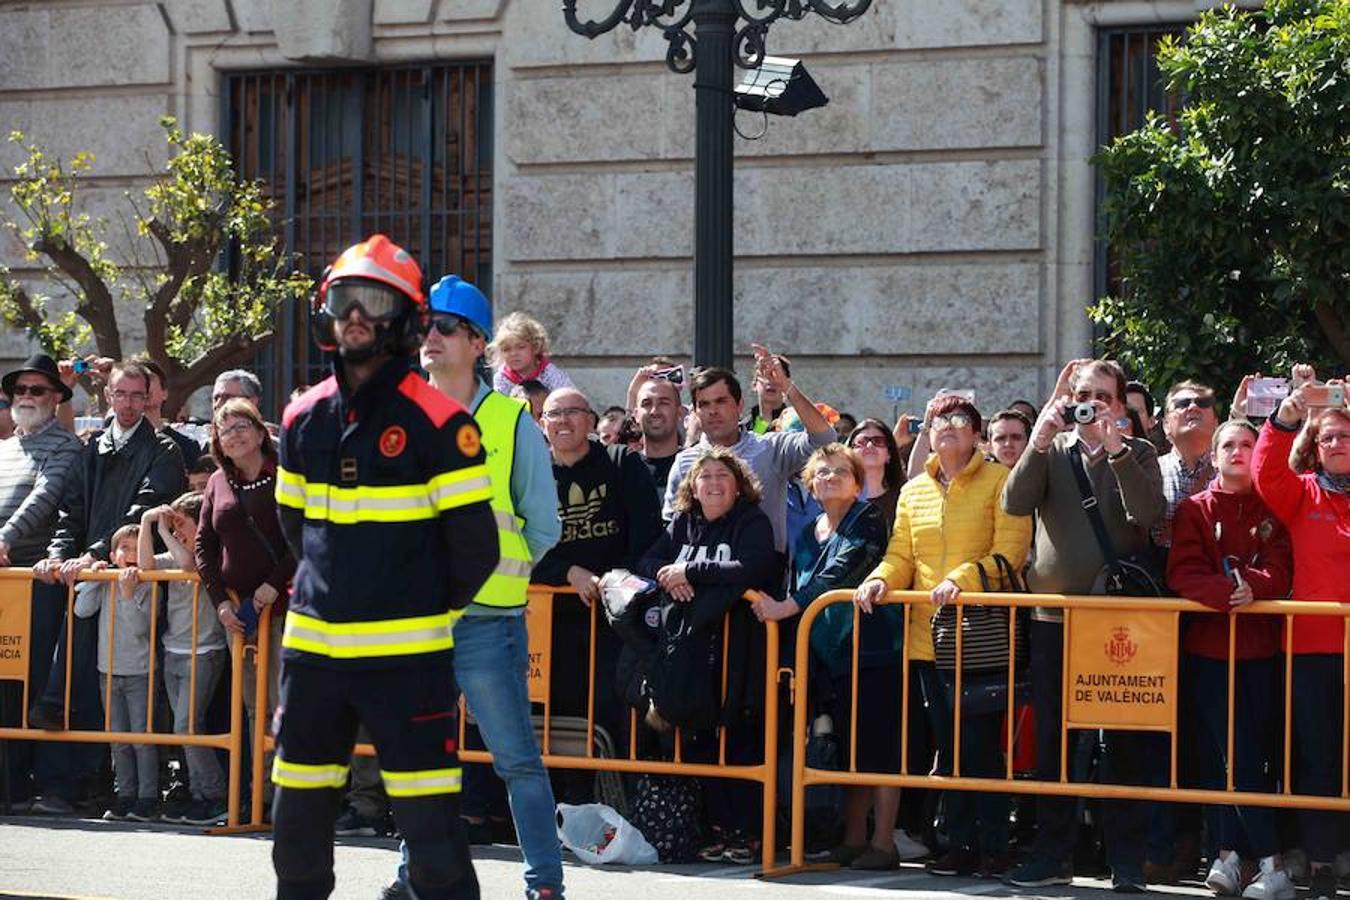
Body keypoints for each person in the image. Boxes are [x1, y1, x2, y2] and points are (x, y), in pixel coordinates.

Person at [270, 234, 497, 900]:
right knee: (296, 834)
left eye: (372, 300)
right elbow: (296, 528)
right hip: (311, 660)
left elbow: (475, 549)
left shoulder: (442, 423)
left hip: (409, 663)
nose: (355, 315)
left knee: (433, 843)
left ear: (405, 318)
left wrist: (418, 605)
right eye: (344, 300)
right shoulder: (301, 418)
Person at [409, 273, 565, 900]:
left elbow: (543, 524)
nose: (432, 337)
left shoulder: (510, 419)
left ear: (478, 344)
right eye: (426, 326)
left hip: (487, 621)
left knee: (517, 762)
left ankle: (545, 883)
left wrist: (501, 567)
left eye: (446, 327)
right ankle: (413, 873)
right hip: (420, 623)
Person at [1001, 358, 1165, 893]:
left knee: (1122, 743)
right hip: (1054, 619)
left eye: (1102, 395)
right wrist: (1039, 441)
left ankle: (1125, 860)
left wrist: (1115, 449)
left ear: (1119, 404)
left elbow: (1147, 514)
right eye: (1082, 393)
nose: (1090, 402)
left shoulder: (1138, 453)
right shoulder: (1053, 450)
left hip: (1117, 622)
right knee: (1054, 740)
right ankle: (1052, 853)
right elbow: (1014, 502)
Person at [855, 395, 1032, 879]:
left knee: (979, 747)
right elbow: (900, 556)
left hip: (980, 638)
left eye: (959, 420)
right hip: (926, 641)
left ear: (977, 434)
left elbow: (1010, 553)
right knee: (948, 749)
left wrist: (962, 580)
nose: (946, 426)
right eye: (938, 420)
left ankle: (994, 843)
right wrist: (880, 579)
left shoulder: (1002, 482)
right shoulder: (913, 491)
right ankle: (958, 843)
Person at [28, 360, 185, 815]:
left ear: (151, 396)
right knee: (81, 682)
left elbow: (144, 510)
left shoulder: (164, 450)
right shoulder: (91, 447)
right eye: (122, 394)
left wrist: (95, 554)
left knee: (124, 692)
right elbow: (69, 511)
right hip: (86, 577)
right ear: (108, 397)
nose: (130, 403)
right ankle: (65, 787)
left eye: (139, 394)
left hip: (128, 581)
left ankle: (126, 788)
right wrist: (59, 554)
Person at [751, 445, 900, 869]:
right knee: (846, 746)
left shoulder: (867, 518)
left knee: (878, 747)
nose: (831, 477)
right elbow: (797, 576)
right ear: (810, 483)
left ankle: (884, 842)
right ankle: (853, 838)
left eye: (841, 471)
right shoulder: (805, 531)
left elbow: (844, 570)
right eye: (822, 472)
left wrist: (790, 605)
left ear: (857, 481)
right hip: (822, 653)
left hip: (871, 648)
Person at [634, 446, 782, 864]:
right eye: (705, 477)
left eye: (723, 476)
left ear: (738, 487)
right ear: (692, 487)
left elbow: (754, 567)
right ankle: (716, 828)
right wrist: (667, 575)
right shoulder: (683, 523)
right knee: (697, 739)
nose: (714, 484)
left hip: (739, 653)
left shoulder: (751, 521)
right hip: (690, 656)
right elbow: (647, 560)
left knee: (740, 738)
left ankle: (748, 832)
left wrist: (691, 573)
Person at [1167, 419, 1295, 900]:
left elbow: (1280, 566)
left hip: (1262, 648)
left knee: (1251, 757)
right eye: (1230, 445)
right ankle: (1242, 857)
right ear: (1215, 455)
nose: (1239, 452)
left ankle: (1253, 858)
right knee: (1221, 755)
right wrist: (1229, 591)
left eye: (1248, 444)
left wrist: (1256, 586)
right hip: (1210, 649)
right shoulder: (1194, 509)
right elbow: (1183, 571)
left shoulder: (1272, 506)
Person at [1251, 365, 1349, 900]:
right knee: (1317, 753)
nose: (1336, 443)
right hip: (1312, 648)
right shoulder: (1304, 493)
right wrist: (1289, 414)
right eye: (1328, 436)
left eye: (1345, 434)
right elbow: (1267, 474)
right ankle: (1320, 855)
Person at [195, 398, 295, 821]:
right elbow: (204, 546)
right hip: (238, 613)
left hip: (286, 606)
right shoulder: (218, 482)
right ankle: (260, 794)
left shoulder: (286, 475)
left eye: (241, 426)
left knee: (281, 703)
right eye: (224, 428)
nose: (233, 434)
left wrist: (272, 586)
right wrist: (220, 603)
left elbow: (305, 533)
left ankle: (287, 796)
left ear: (259, 431)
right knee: (254, 705)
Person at [0, 355, 83, 806]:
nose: (26, 398)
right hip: (2, 583)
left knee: (35, 683)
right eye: (20, 391)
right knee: (3, 685)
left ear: (56, 400)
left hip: (37, 581)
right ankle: (8, 783)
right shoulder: (3, 448)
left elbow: (43, 497)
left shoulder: (64, 445)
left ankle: (45, 784)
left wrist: (3, 540)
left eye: (37, 391)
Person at [664, 352, 835, 554]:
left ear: (739, 406)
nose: (713, 411)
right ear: (695, 411)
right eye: (704, 404)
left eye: (721, 401)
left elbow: (824, 440)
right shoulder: (685, 462)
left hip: (764, 575)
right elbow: (671, 527)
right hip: (700, 577)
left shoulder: (771, 448)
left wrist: (787, 387)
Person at [129, 492, 230, 825]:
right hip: (174, 650)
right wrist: (147, 523)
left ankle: (216, 796)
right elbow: (145, 565)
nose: (177, 532)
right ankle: (200, 795)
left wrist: (165, 532)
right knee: (183, 728)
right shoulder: (173, 551)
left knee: (186, 725)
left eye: (182, 525)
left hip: (204, 651)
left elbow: (189, 563)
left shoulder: (209, 552)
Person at [72, 524, 158, 822]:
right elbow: (82, 610)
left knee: (141, 739)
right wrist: (95, 578)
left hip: (140, 671)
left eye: (137, 549)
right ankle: (125, 794)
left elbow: (140, 629)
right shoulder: (107, 579)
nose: (131, 555)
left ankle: (147, 797)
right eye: (125, 549)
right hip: (107, 670)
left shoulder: (149, 583)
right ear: (113, 555)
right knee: (117, 739)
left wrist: (128, 593)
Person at [1153, 381, 1220, 551]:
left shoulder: (1231, 472)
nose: (1193, 407)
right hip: (1163, 573)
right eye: (1182, 404)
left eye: (1203, 403)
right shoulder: (1150, 471)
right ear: (1166, 425)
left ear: (1216, 423)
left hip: (1216, 572)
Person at [490, 311, 573, 397]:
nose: (513, 353)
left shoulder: (550, 374)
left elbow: (569, 399)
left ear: (535, 347)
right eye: (506, 349)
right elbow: (500, 407)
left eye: (521, 347)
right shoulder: (502, 379)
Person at [631, 373, 684, 497]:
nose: (654, 411)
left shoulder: (692, 466)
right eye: (646, 404)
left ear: (679, 413)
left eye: (663, 403)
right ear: (636, 415)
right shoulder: (625, 468)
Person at [743, 352, 791, 434]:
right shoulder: (742, 429)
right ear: (754, 384)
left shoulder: (794, 422)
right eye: (764, 376)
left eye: (776, 376)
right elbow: (758, 441)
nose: (770, 382)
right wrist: (765, 416)